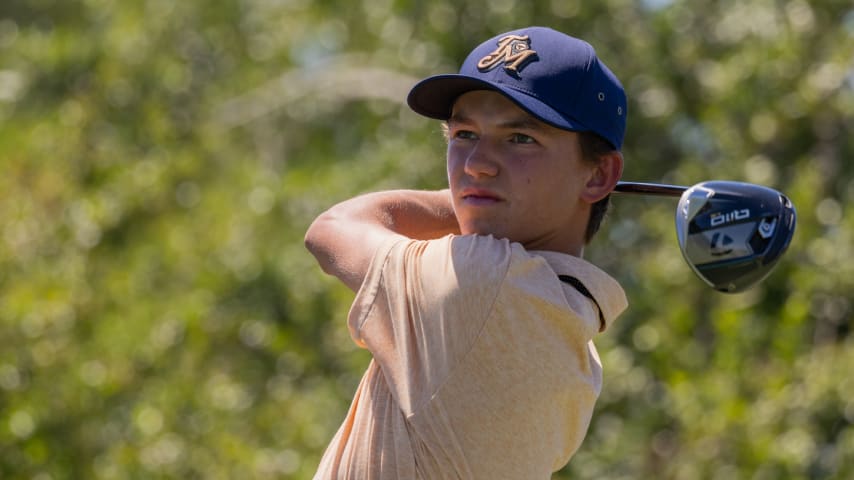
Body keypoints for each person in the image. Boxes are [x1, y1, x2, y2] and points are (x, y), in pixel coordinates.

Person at [304, 26, 629, 479]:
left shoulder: (483, 283)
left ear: (598, 176)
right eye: (464, 134)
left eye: (520, 139)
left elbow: (334, 228)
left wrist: (460, 197)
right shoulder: (574, 333)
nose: (476, 164)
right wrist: (482, 196)